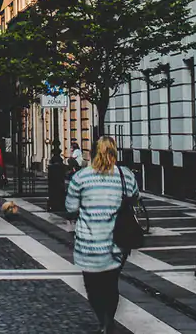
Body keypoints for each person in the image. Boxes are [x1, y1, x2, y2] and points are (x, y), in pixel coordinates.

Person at [65, 136, 139, 334]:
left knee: (92, 286)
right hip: (117, 241)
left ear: (94, 152)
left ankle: (102, 320)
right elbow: (135, 197)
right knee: (111, 284)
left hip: (89, 242)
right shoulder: (126, 175)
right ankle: (108, 320)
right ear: (115, 152)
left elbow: (70, 207)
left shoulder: (81, 177)